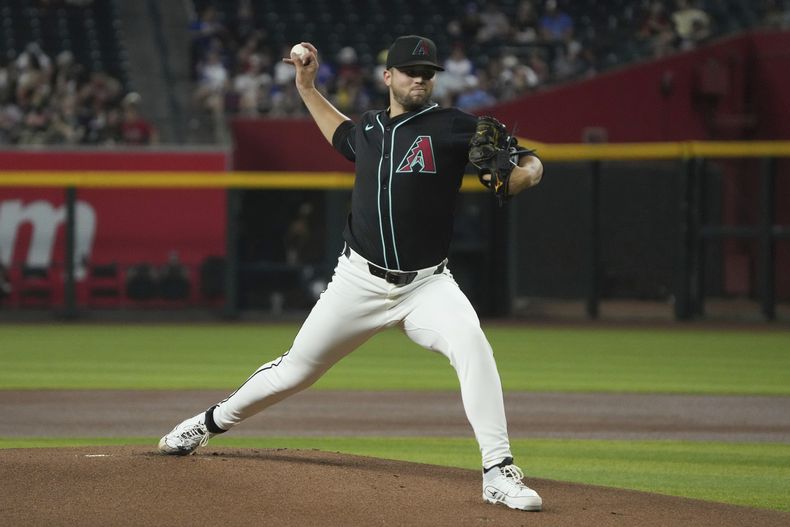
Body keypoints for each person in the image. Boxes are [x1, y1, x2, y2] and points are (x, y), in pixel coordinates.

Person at [158, 35, 544, 512]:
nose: (420, 77)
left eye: (427, 71)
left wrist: (527, 173)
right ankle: (208, 422)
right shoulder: (370, 129)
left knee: (471, 343)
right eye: (410, 70)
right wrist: (306, 87)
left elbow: (526, 162)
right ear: (388, 77)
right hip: (358, 281)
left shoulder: (454, 127)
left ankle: (497, 470)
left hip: (427, 285)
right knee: (295, 371)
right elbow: (338, 132)